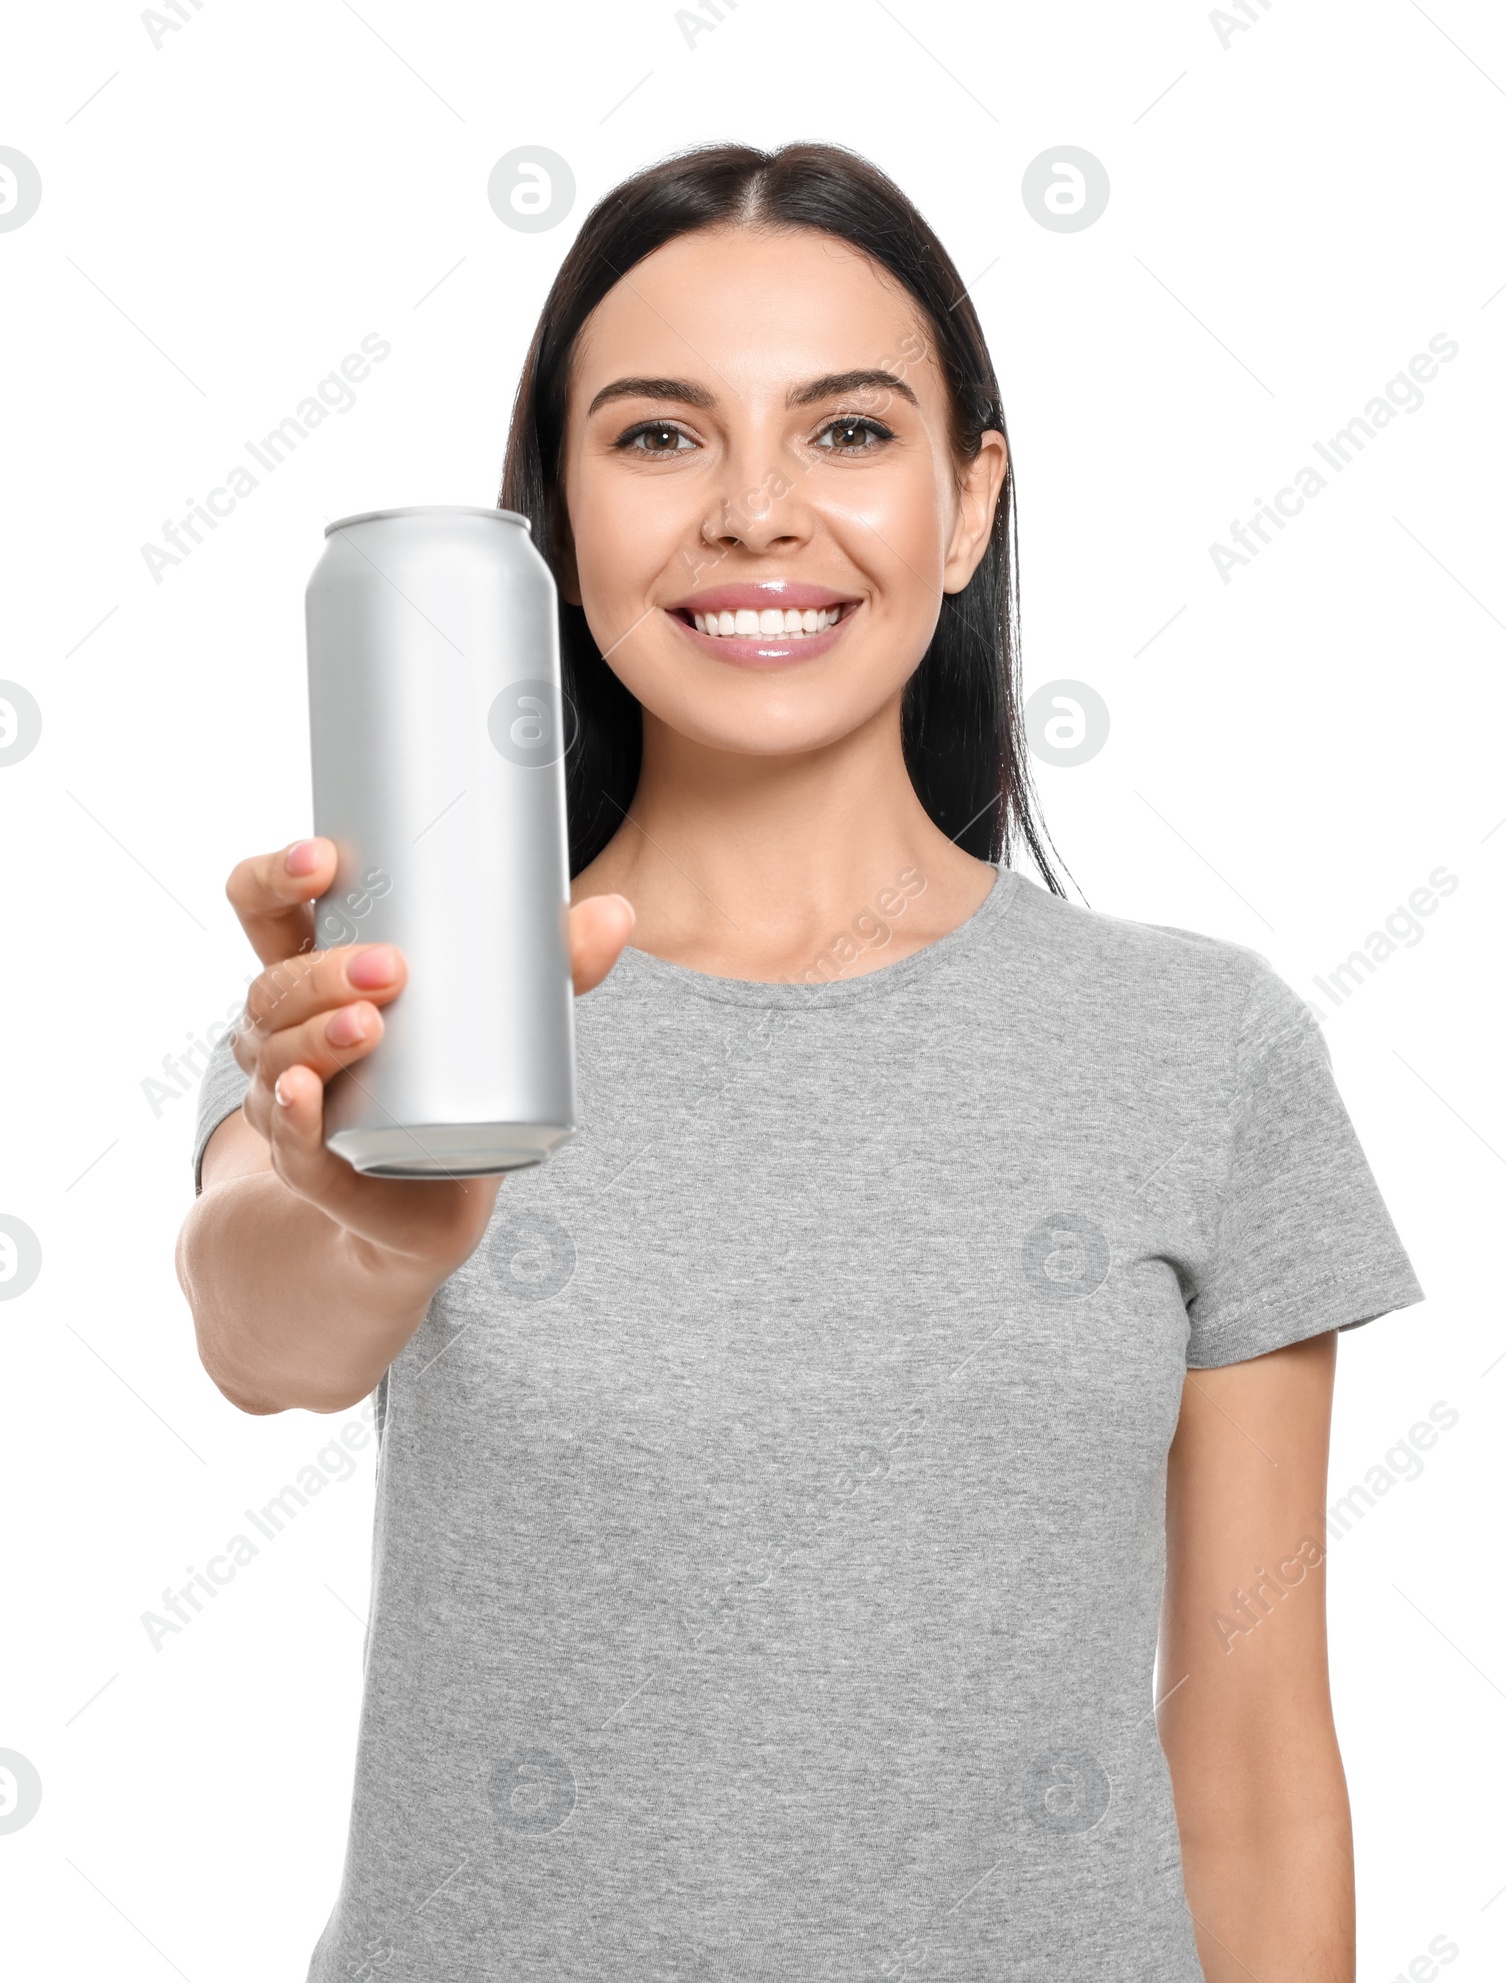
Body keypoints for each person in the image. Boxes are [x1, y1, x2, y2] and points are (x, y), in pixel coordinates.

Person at [176, 141, 1425, 1982]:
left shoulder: (1201, 1050)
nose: (758, 514)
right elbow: (258, 1334)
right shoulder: (387, 1018)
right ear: (553, 525)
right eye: (659, 437)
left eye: (844, 432)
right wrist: (374, 1215)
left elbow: (1251, 1767)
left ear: (967, 500)